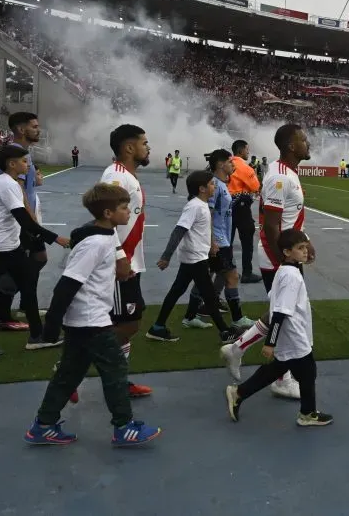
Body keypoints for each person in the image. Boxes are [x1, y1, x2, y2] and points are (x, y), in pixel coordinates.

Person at [25, 183, 162, 447]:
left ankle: (43, 424)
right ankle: (124, 427)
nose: (128, 212)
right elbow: (67, 285)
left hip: (85, 320)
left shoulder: (106, 236)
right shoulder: (95, 243)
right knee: (115, 369)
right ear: (109, 213)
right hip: (90, 320)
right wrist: (51, 325)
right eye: (124, 209)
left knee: (69, 374)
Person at [219, 123, 313, 400]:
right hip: (278, 257)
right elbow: (271, 226)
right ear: (290, 146)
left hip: (284, 254)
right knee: (287, 315)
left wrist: (306, 242)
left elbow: (287, 220)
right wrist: (286, 262)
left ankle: (237, 349)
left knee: (278, 312)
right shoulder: (279, 177)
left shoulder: (288, 174)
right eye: (303, 139)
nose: (308, 143)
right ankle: (281, 379)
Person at [0, 144, 69, 358]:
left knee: (28, 287)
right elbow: (25, 221)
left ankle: (38, 337)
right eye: (24, 161)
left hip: (11, 247)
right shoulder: (7, 184)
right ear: (12, 164)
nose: (28, 165)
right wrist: (55, 238)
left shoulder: (9, 183)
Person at [225, 228, 332, 427]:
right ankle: (307, 414)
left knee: (277, 369)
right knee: (308, 372)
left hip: (289, 333)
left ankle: (238, 393)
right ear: (286, 252)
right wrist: (270, 342)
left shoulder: (285, 271)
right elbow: (281, 312)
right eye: (300, 248)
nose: (305, 251)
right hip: (293, 335)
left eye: (305, 247)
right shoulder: (291, 276)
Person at [147, 170, 237, 344]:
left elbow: (200, 230)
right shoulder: (195, 206)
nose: (214, 186)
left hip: (195, 256)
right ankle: (225, 332)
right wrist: (166, 257)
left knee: (177, 291)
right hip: (195, 259)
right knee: (209, 295)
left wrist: (211, 246)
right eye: (211, 184)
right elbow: (179, 231)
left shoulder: (201, 205)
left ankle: (157, 327)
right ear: (202, 188)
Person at [100, 124, 153, 399]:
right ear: (129, 147)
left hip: (131, 261)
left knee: (125, 323)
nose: (148, 147)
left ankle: (120, 380)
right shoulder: (117, 177)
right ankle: (73, 364)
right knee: (128, 324)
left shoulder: (127, 176)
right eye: (144, 143)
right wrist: (121, 258)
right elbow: (105, 220)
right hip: (121, 264)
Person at [0, 112, 47, 330]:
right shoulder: (16, 155)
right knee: (23, 264)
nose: (38, 130)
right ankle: (1, 308)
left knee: (37, 259)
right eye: (34, 126)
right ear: (22, 130)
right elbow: (19, 189)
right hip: (21, 221)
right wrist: (32, 221)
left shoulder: (23, 154)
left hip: (25, 219)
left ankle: (20, 303)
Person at [182, 149, 252, 329]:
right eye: (230, 161)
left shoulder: (220, 184)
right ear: (221, 164)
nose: (233, 164)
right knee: (232, 277)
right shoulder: (215, 185)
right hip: (219, 241)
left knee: (205, 278)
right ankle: (237, 318)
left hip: (219, 239)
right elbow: (209, 214)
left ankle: (190, 316)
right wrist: (212, 241)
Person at [228, 139, 262, 284]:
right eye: (247, 150)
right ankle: (247, 273)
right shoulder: (244, 167)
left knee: (226, 242)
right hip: (241, 207)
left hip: (226, 207)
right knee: (247, 242)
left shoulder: (226, 163)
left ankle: (227, 271)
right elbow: (255, 186)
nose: (248, 152)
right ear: (241, 151)